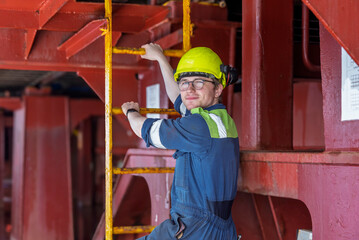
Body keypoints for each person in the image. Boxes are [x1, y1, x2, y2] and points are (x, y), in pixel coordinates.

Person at [121, 43, 239, 240]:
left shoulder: (200, 127)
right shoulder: (219, 119)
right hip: (219, 228)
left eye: (199, 82)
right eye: (185, 82)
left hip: (196, 228)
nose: (190, 89)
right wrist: (160, 58)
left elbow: (148, 130)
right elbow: (178, 97)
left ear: (218, 88)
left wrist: (131, 112)